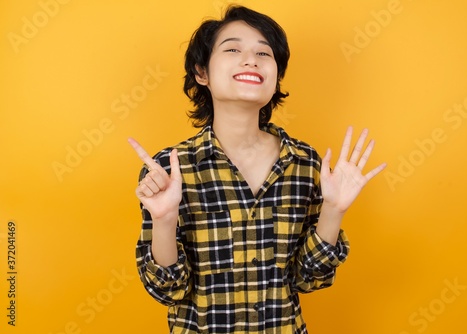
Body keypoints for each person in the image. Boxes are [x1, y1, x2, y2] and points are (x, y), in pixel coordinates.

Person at [129, 5, 386, 333]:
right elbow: (168, 289)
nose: (251, 59)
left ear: (276, 76)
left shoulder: (307, 164)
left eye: (264, 53)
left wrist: (333, 210)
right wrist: (163, 221)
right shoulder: (169, 170)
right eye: (233, 48)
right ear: (201, 72)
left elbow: (308, 279)